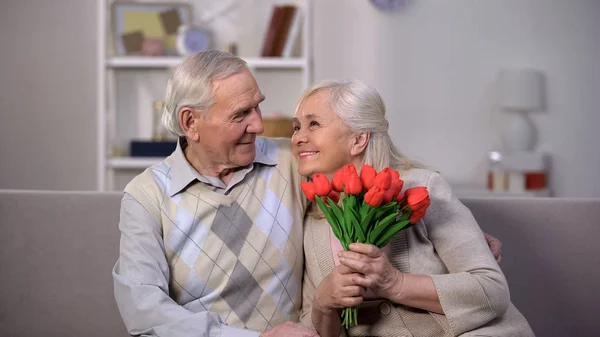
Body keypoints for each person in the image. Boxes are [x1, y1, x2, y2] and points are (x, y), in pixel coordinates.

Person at [292, 79, 534, 336]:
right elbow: (315, 328)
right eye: (296, 128)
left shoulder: (424, 187)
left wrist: (394, 283)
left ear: (359, 139)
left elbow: (491, 290)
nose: (298, 138)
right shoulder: (312, 220)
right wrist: (323, 303)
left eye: (313, 124)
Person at [112, 50, 318, 337]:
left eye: (257, 107)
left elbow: (376, 172)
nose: (258, 125)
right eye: (240, 114)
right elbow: (145, 311)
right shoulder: (146, 196)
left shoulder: (293, 162)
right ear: (190, 123)